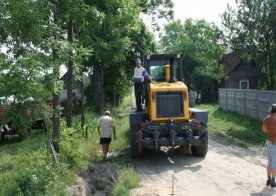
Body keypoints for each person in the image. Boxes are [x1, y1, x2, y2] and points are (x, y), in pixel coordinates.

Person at [262, 104, 276, 187]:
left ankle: (269, 180)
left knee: (270, 162)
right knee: (275, 164)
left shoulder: (267, 118)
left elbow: (264, 130)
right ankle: (274, 182)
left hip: (269, 142)